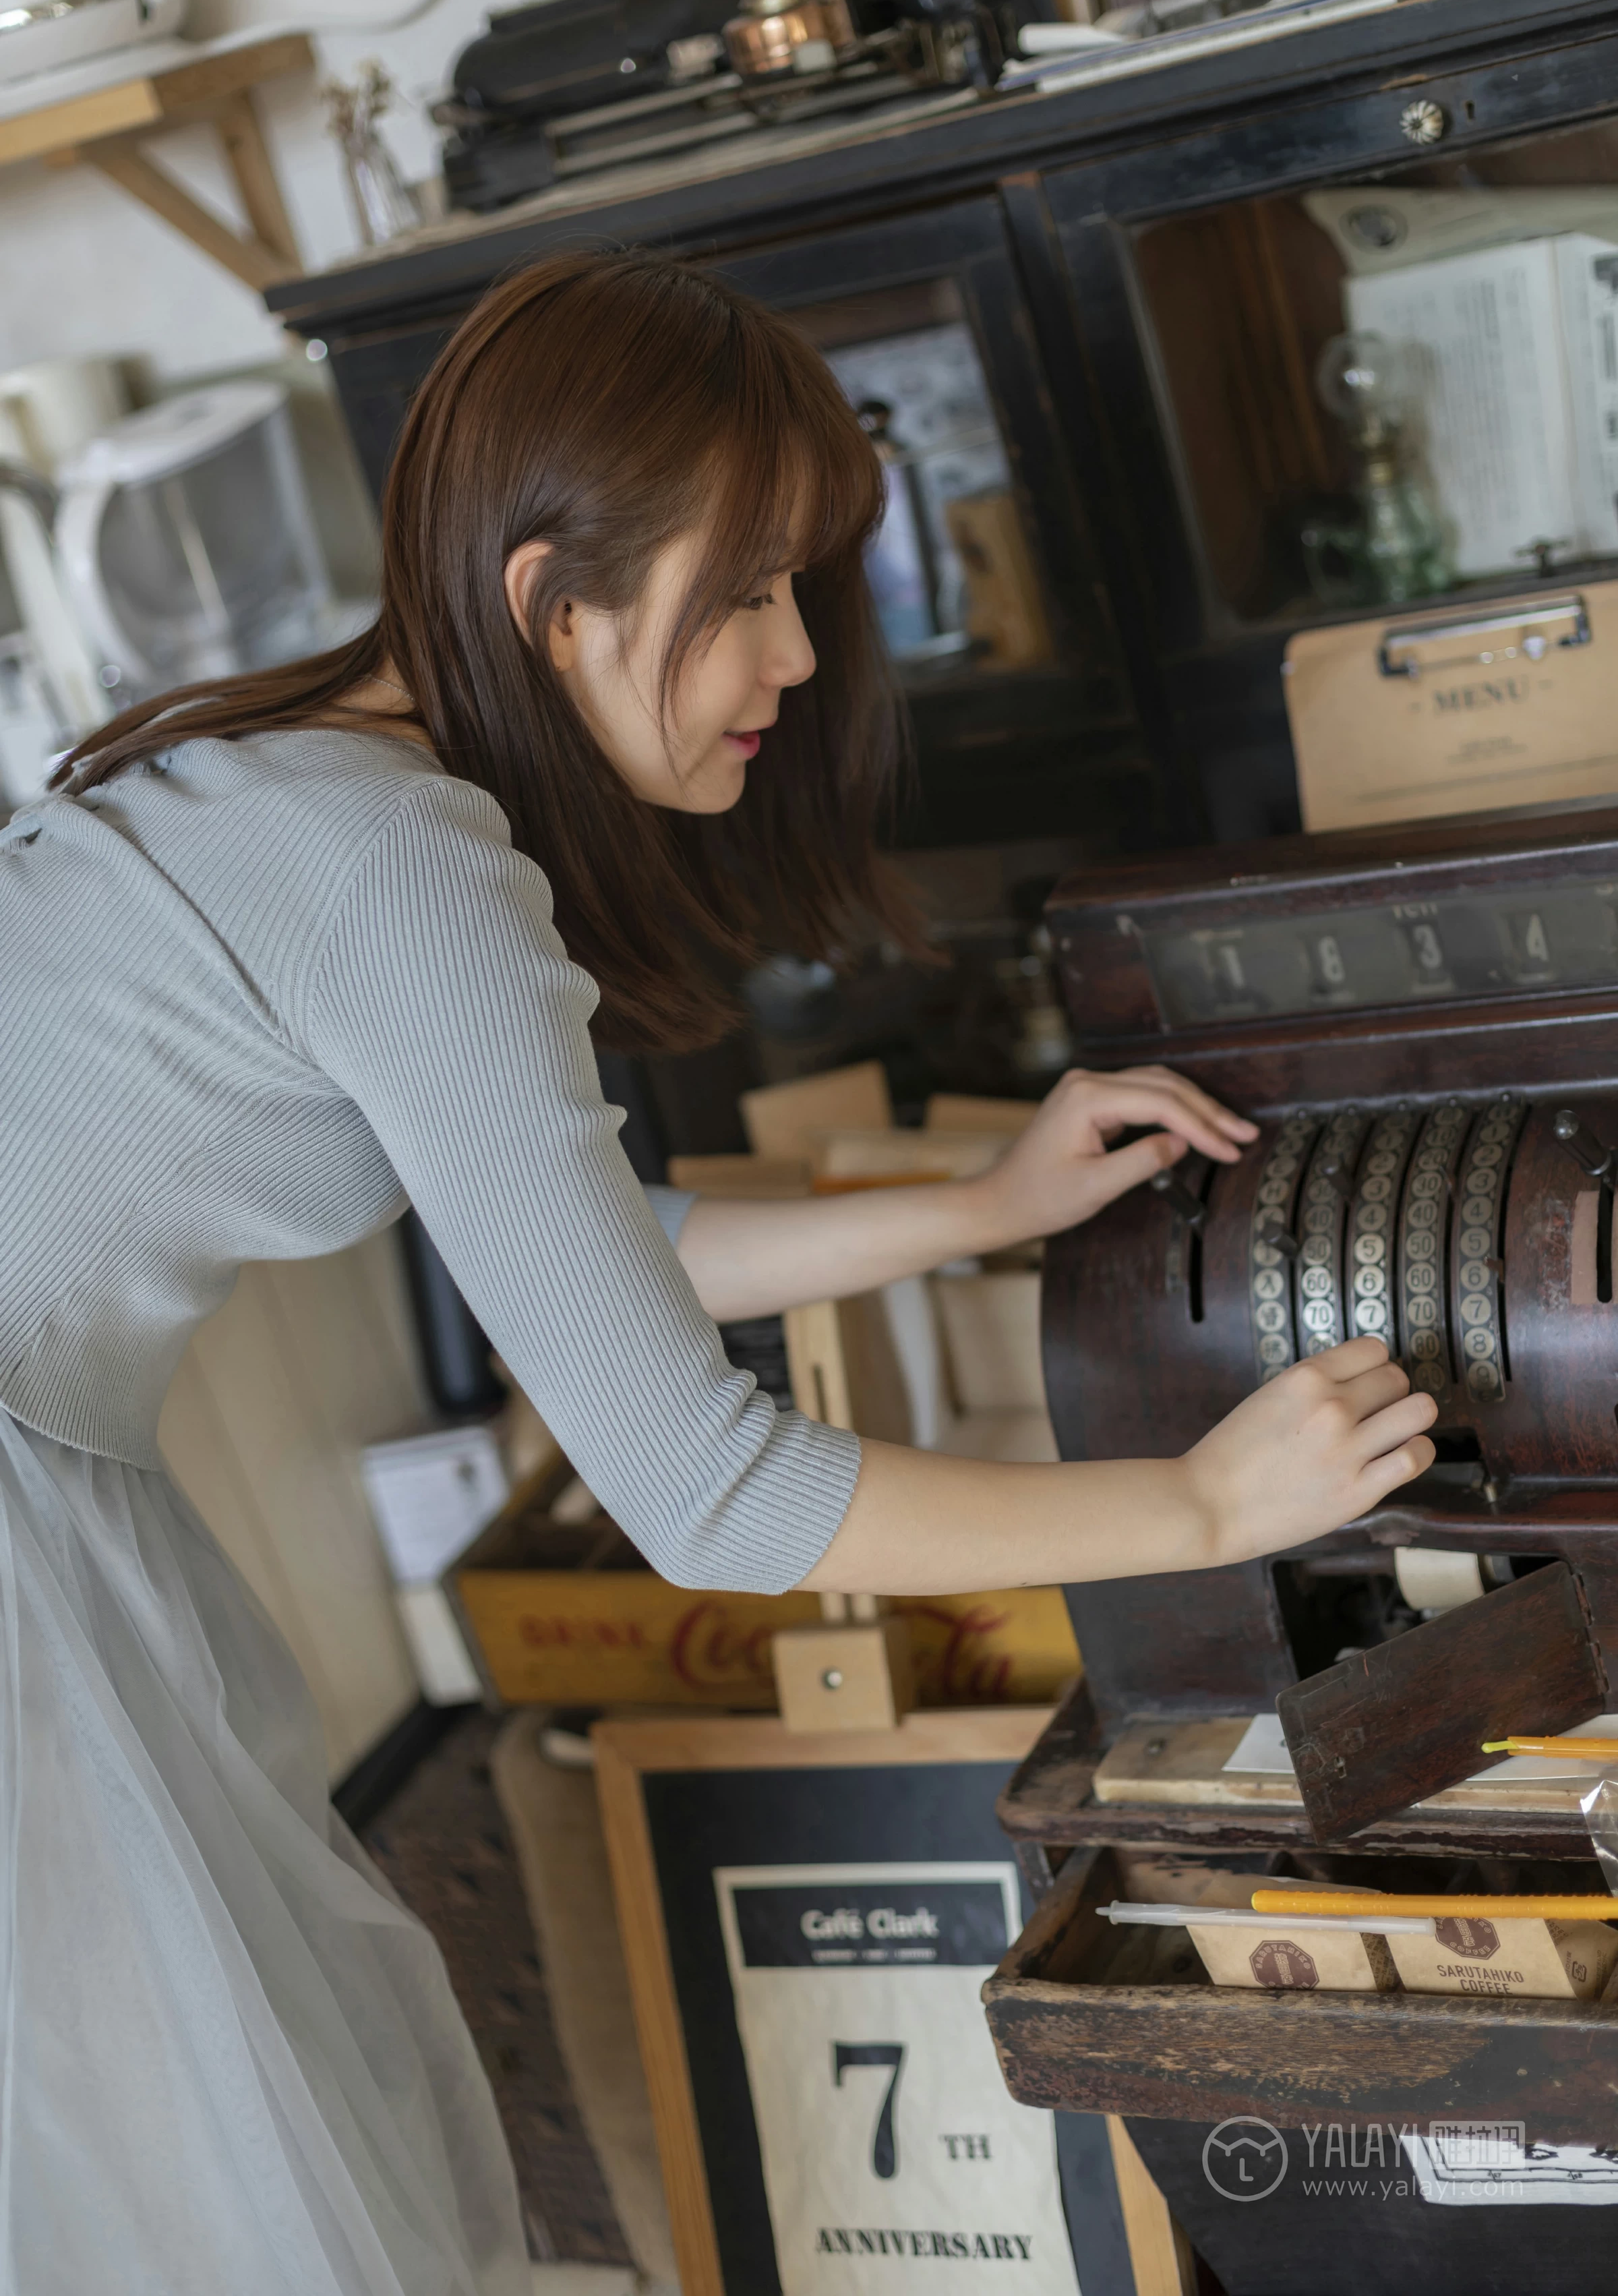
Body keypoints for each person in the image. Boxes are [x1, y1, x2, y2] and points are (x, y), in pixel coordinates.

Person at [0, 249, 1435, 2293]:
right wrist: (1199, 1506)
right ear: (548, 601)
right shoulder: (400, 862)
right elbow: (711, 1496)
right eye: (746, 589)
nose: (793, 654)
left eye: (805, 585)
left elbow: (577, 1256)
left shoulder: (305, 777)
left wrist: (977, 1202)